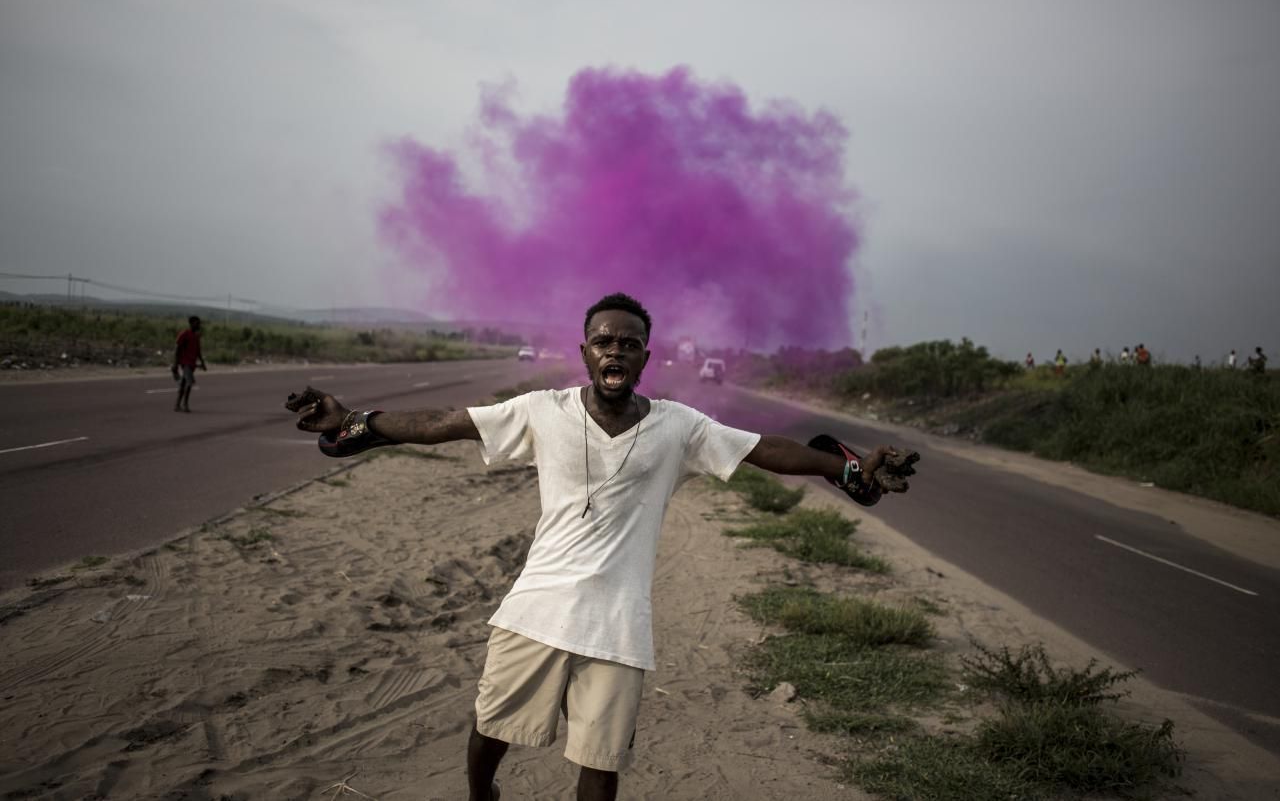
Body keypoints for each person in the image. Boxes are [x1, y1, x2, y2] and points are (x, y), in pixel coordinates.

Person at [287, 293, 917, 801]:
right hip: (536, 608)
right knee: (489, 728)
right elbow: (441, 424)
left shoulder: (680, 426)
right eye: (603, 341)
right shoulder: (543, 409)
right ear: (585, 352)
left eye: (629, 342)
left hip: (618, 621)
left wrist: (848, 470)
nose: (616, 349)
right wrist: (356, 424)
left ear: (646, 356)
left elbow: (763, 450)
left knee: (601, 759)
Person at [171, 315, 206, 412]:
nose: (199, 325)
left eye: (199, 323)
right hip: (185, 363)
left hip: (192, 364)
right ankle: (185, 404)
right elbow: (177, 349)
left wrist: (202, 363)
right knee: (189, 382)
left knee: (183, 384)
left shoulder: (196, 336)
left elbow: (198, 351)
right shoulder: (184, 334)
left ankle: (177, 405)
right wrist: (175, 364)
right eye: (197, 323)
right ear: (191, 323)